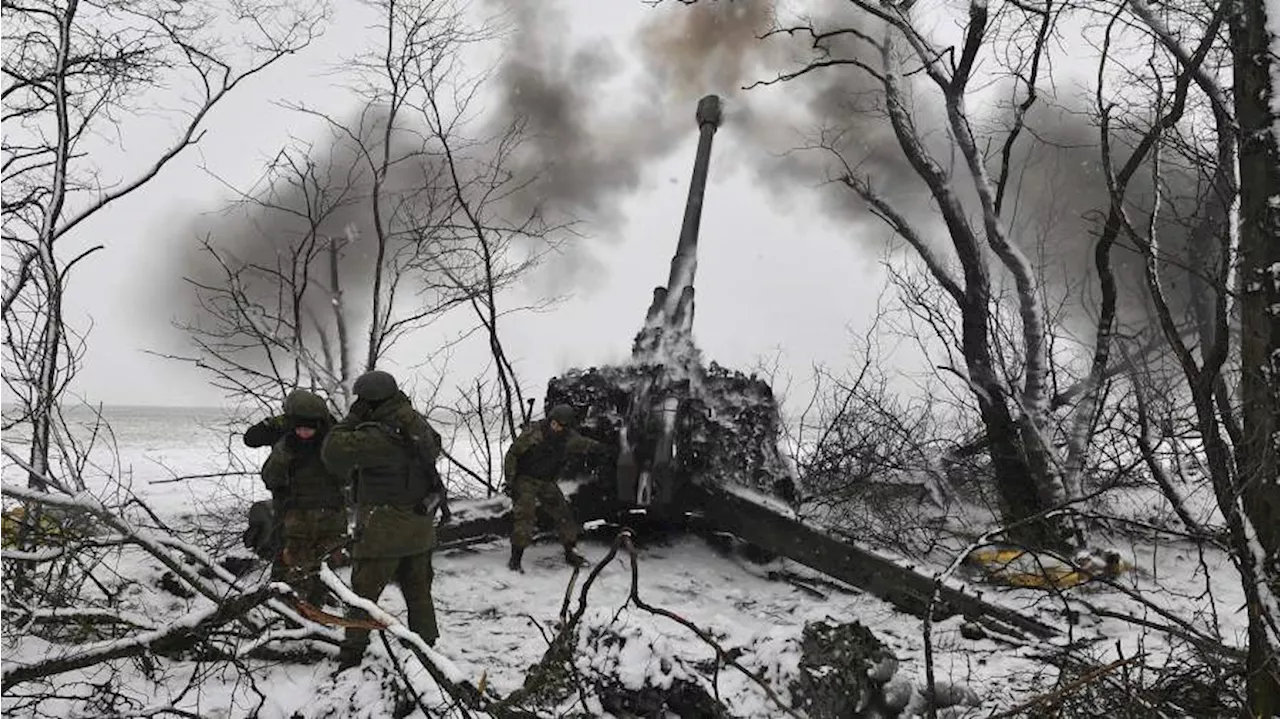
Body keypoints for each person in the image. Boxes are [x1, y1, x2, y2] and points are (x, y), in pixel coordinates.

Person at [321, 369, 449, 670]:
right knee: (419, 594)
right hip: (419, 527)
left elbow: (332, 452)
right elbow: (435, 445)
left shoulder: (377, 435)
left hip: (383, 530)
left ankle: (351, 656)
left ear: (369, 401)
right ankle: (427, 652)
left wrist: (352, 418)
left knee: (363, 598)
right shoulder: (412, 421)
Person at [243, 389, 348, 605]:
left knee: (310, 566)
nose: (304, 432)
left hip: (321, 515)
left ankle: (304, 612)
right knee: (291, 567)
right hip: (295, 514)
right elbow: (251, 439)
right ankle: (295, 612)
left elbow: (348, 474)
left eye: (309, 427)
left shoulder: (333, 437)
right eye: (299, 426)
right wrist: (275, 426)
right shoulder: (288, 436)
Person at [504, 403, 614, 572]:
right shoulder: (534, 434)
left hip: (547, 481)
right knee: (525, 517)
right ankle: (515, 559)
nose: (555, 427)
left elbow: (584, 444)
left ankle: (571, 551)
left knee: (564, 514)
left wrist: (604, 450)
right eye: (554, 422)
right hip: (525, 479)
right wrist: (510, 482)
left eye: (560, 425)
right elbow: (512, 455)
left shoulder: (569, 438)